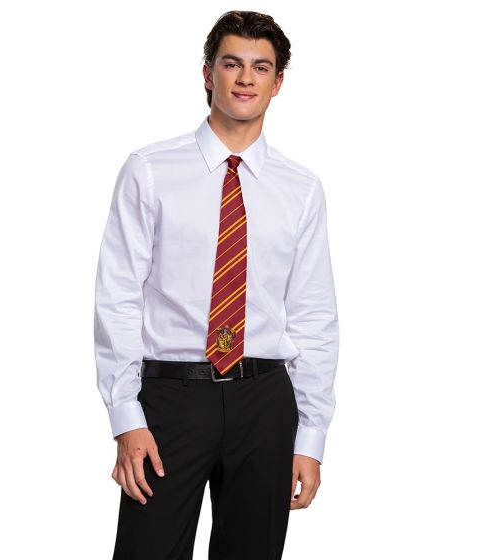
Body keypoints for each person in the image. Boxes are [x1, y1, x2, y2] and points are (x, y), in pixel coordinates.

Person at [94, 10, 339, 560]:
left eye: (260, 67)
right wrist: (126, 417)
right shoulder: (150, 170)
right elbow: (118, 296)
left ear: (278, 83)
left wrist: (311, 436)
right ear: (208, 74)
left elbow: (313, 315)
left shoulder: (300, 189)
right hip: (171, 398)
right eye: (232, 64)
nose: (245, 78)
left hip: (265, 400)